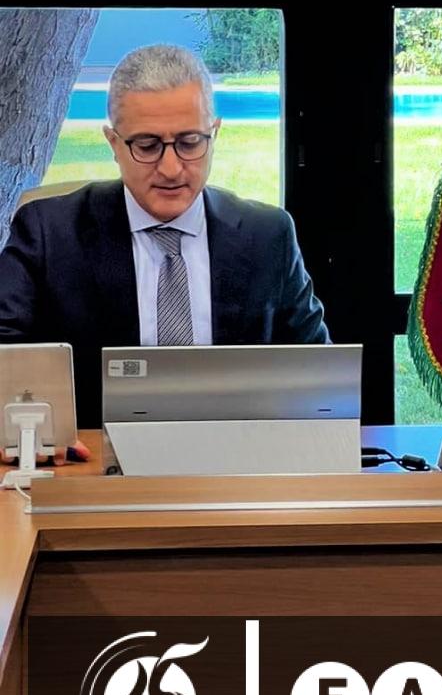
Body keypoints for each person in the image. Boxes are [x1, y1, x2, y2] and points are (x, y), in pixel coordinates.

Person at [0, 45, 328, 428]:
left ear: (214, 134)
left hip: (237, 453)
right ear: (114, 144)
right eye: (147, 145)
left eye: (190, 143)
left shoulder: (268, 235)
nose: (171, 169)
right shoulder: (49, 233)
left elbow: (317, 374)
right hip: (94, 455)